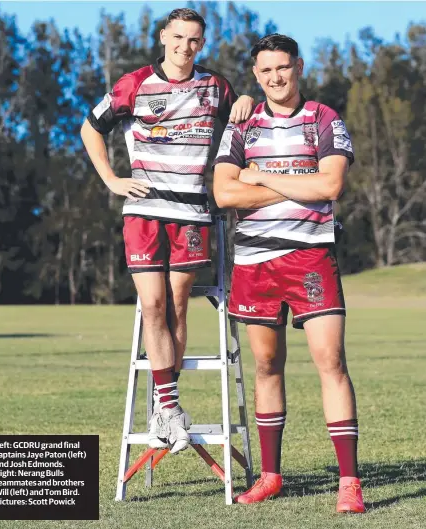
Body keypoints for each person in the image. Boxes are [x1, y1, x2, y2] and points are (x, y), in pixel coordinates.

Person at [81, 9, 253, 455]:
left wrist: (248, 101)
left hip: (193, 214)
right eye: (177, 37)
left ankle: (165, 409)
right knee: (153, 305)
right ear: (163, 37)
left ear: (202, 43)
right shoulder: (134, 84)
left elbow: (244, 129)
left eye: (194, 40)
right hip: (143, 212)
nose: (185, 47)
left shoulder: (216, 87)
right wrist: (112, 180)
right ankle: (170, 409)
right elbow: (90, 128)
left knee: (177, 305)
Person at [213, 34, 365, 513]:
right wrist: (299, 189)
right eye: (266, 71)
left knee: (331, 361)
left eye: (283, 67)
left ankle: (349, 482)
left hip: (311, 256)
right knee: (265, 366)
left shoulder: (324, 119)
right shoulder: (241, 127)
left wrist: (258, 177)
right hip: (254, 261)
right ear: (255, 75)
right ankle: (271, 476)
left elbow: (332, 183)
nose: (276, 77)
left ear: (298, 66)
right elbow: (224, 195)